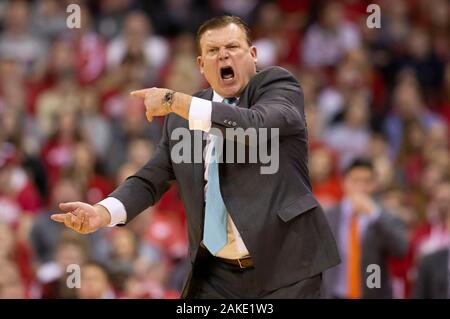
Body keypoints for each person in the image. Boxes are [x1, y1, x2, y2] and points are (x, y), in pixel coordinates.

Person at [51, 15, 340, 298]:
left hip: (286, 268)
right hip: (216, 273)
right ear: (201, 65)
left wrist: (175, 101)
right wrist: (102, 213)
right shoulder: (181, 120)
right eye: (213, 51)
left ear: (252, 55)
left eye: (233, 47)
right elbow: (151, 178)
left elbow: (255, 126)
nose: (223, 56)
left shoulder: (278, 87)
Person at [322, 158, 408, 299]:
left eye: (367, 181)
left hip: (373, 293)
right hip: (335, 293)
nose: (361, 187)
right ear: (344, 182)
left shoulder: (385, 215)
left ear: (375, 184)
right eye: (355, 181)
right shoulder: (329, 216)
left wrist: (374, 214)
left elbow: (400, 249)